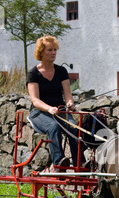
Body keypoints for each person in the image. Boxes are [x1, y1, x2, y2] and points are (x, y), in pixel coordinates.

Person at [26, 35, 84, 168]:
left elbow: (68, 95)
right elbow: (35, 100)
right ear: (41, 52)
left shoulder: (61, 71)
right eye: (49, 50)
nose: (53, 53)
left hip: (60, 111)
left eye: (55, 50)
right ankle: (59, 163)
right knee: (53, 126)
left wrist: (70, 104)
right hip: (39, 113)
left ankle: (80, 163)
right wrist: (49, 109)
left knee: (74, 127)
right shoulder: (33, 74)